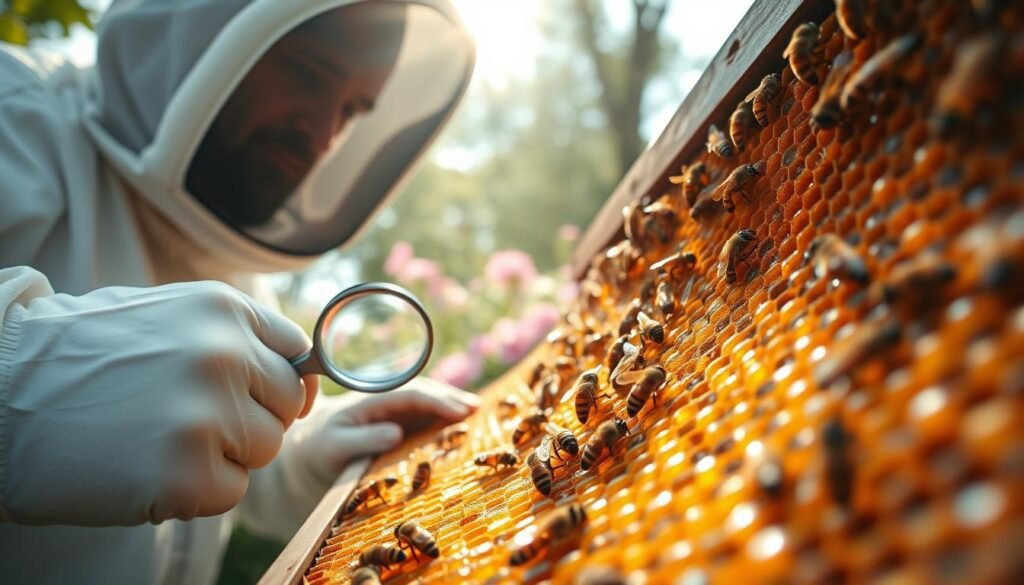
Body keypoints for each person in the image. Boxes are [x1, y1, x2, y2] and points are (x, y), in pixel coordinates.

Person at [0, 0, 475, 582]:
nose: (324, 135)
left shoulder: (234, 264)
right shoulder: (15, 119)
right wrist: (19, 381)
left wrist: (299, 460)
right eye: (307, 73)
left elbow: (192, 448)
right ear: (202, 27)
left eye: (351, 111)